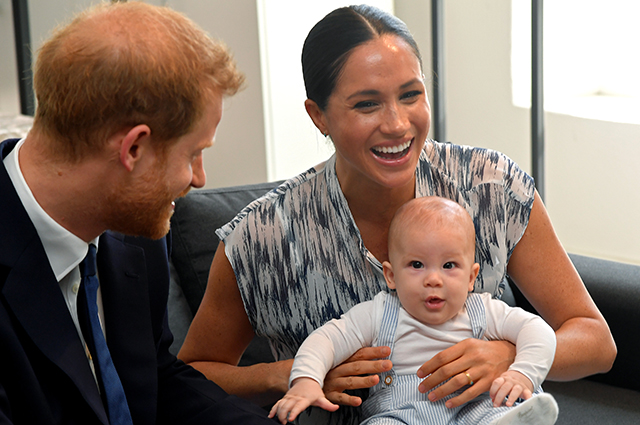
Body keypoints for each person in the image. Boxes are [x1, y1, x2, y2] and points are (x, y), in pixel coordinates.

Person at [179, 4, 616, 425]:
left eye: (411, 95)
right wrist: (288, 374)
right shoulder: (263, 236)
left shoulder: (492, 187)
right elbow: (190, 377)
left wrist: (507, 355)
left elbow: (596, 340)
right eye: (367, 104)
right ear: (319, 116)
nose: (398, 124)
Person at [0, 2, 278, 424]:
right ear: (133, 148)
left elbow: (157, 378)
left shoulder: (135, 237)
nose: (199, 179)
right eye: (194, 153)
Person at [268, 196, 558, 425]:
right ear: (391, 276)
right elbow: (326, 340)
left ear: (471, 277)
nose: (433, 279)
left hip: (476, 408)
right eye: (416, 265)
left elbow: (537, 330)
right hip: (402, 414)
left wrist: (523, 374)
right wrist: (306, 381)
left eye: (449, 266)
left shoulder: (483, 310)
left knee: (500, 411)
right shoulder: (379, 313)